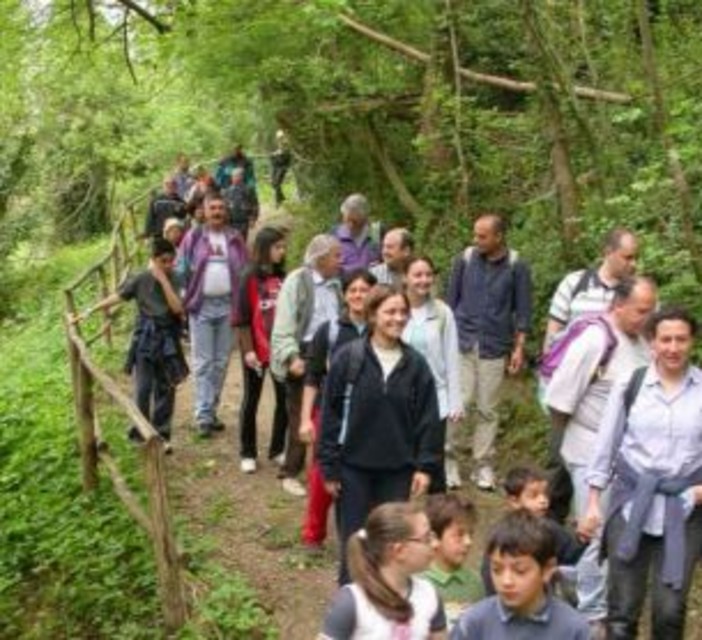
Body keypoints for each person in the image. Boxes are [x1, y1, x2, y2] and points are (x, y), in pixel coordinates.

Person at [580, 307, 702, 640]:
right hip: (631, 503)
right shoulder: (631, 385)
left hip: (685, 509)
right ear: (652, 342)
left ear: (691, 342)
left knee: (669, 611)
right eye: (665, 339)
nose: (673, 348)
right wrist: (592, 502)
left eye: (681, 339)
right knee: (622, 610)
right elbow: (606, 445)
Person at [544, 276, 656, 633]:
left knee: (619, 532)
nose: (647, 317)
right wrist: (569, 450)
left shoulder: (639, 342)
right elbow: (559, 400)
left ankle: (566, 578)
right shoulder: (596, 339)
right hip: (588, 447)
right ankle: (593, 612)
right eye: (641, 310)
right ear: (618, 304)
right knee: (597, 531)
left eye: (651, 310)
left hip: (628, 455)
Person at [319, 285, 442, 585]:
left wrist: (425, 467)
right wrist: (330, 466)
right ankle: (352, 606)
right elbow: (331, 415)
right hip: (353, 468)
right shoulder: (349, 358)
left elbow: (428, 419)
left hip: (397, 469)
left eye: (403, 312)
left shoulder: (416, 365)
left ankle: (389, 605)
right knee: (356, 541)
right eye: (390, 311)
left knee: (393, 544)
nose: (397, 318)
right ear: (373, 315)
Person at [542, 228, 639, 524]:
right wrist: (547, 384)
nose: (633, 264)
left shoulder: (637, 294)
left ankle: (584, 532)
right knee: (558, 469)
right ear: (608, 252)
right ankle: (547, 536)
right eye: (627, 257)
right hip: (569, 396)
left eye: (636, 257)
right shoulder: (575, 284)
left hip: (609, 405)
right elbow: (553, 334)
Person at [70, 239, 187, 453]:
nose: (168, 265)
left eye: (171, 261)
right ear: (153, 260)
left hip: (168, 337)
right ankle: (140, 431)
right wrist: (90, 311)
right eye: (163, 261)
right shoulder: (140, 279)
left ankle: (162, 434)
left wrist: (163, 280)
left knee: (166, 387)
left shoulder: (176, 278)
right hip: (145, 336)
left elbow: (178, 308)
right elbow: (119, 297)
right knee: (142, 388)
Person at [446, 213, 532, 491]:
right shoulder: (465, 259)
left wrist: (518, 348)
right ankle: (449, 460)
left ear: (499, 237)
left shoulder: (517, 266)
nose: (476, 240)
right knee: (458, 403)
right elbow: (450, 303)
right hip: (462, 341)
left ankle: (483, 464)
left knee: (488, 409)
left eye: (482, 236)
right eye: (475, 234)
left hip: (495, 345)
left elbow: (523, 310)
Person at [299, 269, 377, 550]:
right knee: (323, 474)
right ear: (344, 295)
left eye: (364, 290)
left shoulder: (380, 330)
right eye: (353, 290)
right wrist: (306, 419)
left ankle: (361, 535)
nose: (358, 295)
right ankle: (313, 535)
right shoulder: (329, 330)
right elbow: (312, 376)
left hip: (369, 416)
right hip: (330, 411)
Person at [271, 234, 343, 497]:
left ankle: (323, 470)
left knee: (328, 414)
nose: (340, 260)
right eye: (337, 255)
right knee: (299, 416)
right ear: (321, 257)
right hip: (303, 353)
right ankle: (290, 472)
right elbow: (284, 323)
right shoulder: (297, 281)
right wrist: (291, 357)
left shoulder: (336, 285)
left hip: (330, 354)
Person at [450, 510, 589, 640]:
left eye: (520, 571)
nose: (506, 581)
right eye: (497, 570)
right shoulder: (473, 624)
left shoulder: (574, 629)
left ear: (547, 569)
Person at [319, 501, 447, 640]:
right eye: (427, 538)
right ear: (399, 551)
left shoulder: (428, 594)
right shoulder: (353, 603)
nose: (436, 544)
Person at [176, 194, 248, 437]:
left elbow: (245, 271)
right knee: (204, 362)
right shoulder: (194, 237)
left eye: (221, 207)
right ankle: (204, 414)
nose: (217, 211)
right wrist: (185, 296)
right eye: (212, 208)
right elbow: (180, 268)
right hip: (202, 306)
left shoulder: (235, 238)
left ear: (225, 211)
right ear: (204, 212)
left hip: (229, 306)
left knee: (220, 362)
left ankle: (211, 409)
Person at [402, 256, 462, 491]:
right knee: (402, 458)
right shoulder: (395, 308)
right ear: (406, 277)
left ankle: (439, 519)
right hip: (400, 397)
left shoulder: (442, 312)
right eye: (417, 275)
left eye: (428, 274)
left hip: (436, 398)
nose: (424, 280)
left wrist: (455, 401)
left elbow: (451, 357)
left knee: (433, 462)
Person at [480, 465, 586, 597]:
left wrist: (582, 537)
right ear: (514, 501)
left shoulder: (550, 528)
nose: (543, 500)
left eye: (545, 494)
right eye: (534, 496)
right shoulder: (501, 534)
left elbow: (570, 555)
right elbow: (489, 571)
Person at [233, 227, 288, 474]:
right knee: (251, 399)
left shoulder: (283, 277)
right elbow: (241, 318)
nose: (282, 251)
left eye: (283, 247)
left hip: (281, 351)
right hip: (255, 351)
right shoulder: (248, 277)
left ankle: (277, 449)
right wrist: (248, 350)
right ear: (265, 249)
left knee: (284, 400)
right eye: (278, 247)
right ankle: (247, 452)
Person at [422, 494, 483, 631]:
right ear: (434, 538)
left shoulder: (476, 583)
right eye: (459, 534)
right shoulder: (420, 584)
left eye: (471, 534)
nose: (468, 542)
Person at [331, 194, 381, 273]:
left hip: (372, 282)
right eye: (347, 220)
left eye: (355, 221)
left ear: (365, 218)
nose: (350, 225)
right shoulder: (333, 235)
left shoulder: (377, 232)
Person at [223, 167, 260, 241]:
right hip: (231, 221)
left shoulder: (249, 190)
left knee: (242, 240)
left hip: (243, 220)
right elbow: (224, 206)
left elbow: (255, 205)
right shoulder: (227, 191)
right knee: (231, 240)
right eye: (233, 176)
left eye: (237, 176)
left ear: (242, 177)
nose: (235, 178)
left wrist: (253, 219)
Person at [270, 129, 292, 208]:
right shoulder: (275, 145)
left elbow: (287, 158)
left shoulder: (286, 145)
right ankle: (281, 197)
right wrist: (274, 154)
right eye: (278, 137)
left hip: (282, 167)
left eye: (281, 137)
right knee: (273, 182)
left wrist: (280, 154)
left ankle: (277, 201)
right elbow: (271, 156)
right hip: (275, 166)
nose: (280, 139)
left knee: (277, 183)